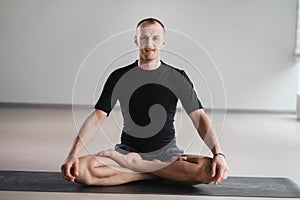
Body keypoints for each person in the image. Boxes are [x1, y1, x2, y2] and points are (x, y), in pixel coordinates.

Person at [61, 18, 229, 186]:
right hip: (128, 152)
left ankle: (138, 167)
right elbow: (98, 116)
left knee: (209, 170)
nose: (149, 43)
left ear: (163, 42)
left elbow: (199, 117)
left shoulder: (177, 77)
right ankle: (163, 174)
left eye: (155, 38)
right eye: (144, 37)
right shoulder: (119, 76)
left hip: (167, 154)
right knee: (81, 170)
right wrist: (73, 153)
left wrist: (218, 154)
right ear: (136, 40)